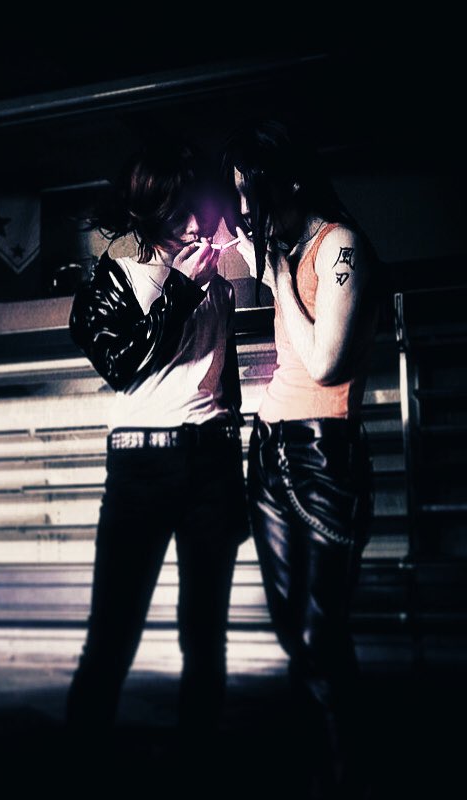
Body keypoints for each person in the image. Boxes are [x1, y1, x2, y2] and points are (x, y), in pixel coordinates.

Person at [65, 138, 249, 740]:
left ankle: (199, 766)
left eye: (200, 208)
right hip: (141, 465)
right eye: (179, 214)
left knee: (206, 637)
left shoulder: (217, 279)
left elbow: (223, 378)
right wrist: (183, 290)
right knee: (112, 633)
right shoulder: (112, 281)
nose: (196, 225)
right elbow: (122, 365)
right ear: (148, 212)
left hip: (212, 460)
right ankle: (78, 762)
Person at [222, 119, 378, 798]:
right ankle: (317, 770)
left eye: (249, 191)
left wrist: (280, 274)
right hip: (269, 452)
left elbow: (324, 363)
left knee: (320, 636)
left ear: (288, 182)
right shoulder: (285, 249)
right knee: (295, 633)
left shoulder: (340, 246)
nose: (244, 207)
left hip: (324, 457)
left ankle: (345, 777)